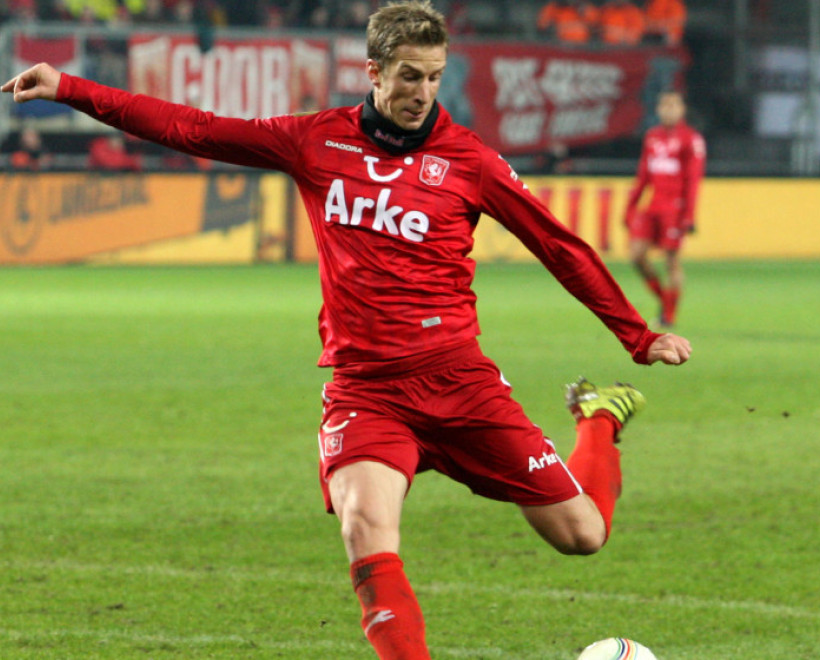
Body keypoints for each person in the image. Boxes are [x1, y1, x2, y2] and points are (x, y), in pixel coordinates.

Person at [3, 3, 692, 660]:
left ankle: (598, 420)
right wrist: (70, 88)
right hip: (368, 391)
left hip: (460, 380)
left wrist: (638, 336)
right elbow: (194, 127)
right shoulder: (316, 140)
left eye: (433, 76)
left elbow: (559, 246)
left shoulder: (468, 161)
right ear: (375, 72)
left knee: (582, 536)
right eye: (408, 76)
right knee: (365, 531)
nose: (423, 91)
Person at [624, 89, 704, 329]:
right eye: (665, 105)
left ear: (682, 109)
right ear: (658, 109)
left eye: (674, 105)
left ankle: (669, 314)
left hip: (675, 208)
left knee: (671, 261)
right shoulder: (652, 136)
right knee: (636, 255)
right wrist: (630, 206)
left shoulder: (691, 139)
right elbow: (643, 176)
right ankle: (665, 300)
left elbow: (693, 181)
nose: (669, 110)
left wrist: (689, 216)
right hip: (653, 206)